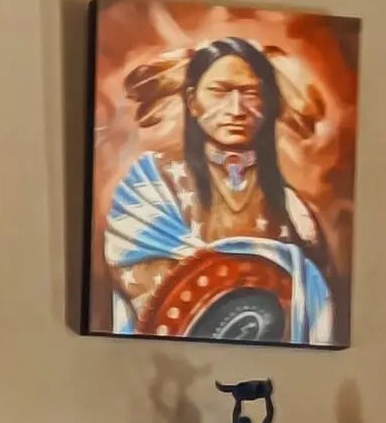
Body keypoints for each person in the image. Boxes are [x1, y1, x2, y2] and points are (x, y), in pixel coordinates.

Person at [104, 37, 338, 343]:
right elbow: (149, 292)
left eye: (250, 93)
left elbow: (311, 311)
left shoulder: (294, 212)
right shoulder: (151, 185)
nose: (236, 109)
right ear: (192, 101)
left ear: (267, 103)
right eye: (220, 92)